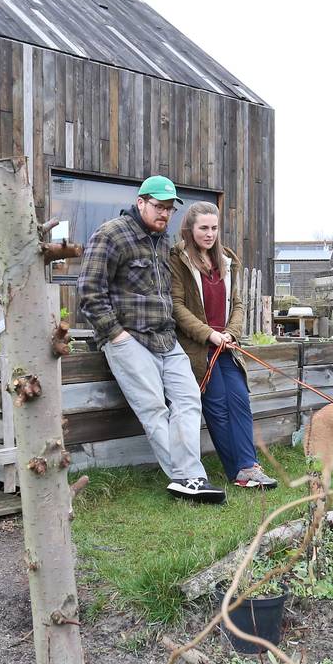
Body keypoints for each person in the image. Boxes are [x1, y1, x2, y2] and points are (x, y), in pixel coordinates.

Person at [77, 176, 226, 503]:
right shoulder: (111, 234)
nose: (164, 214)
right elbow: (89, 292)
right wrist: (116, 335)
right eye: (158, 206)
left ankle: (189, 476)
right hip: (128, 339)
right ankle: (187, 478)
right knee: (154, 409)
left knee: (188, 400)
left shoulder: (162, 239)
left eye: (169, 209)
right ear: (141, 201)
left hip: (165, 337)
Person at [171, 202, 278, 489]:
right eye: (203, 228)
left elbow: (238, 303)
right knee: (217, 405)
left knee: (240, 400)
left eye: (214, 228)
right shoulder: (178, 260)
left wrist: (230, 333)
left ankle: (249, 466)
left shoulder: (227, 260)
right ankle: (238, 471)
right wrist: (209, 334)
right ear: (190, 229)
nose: (209, 234)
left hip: (227, 346)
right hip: (200, 348)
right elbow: (177, 307)